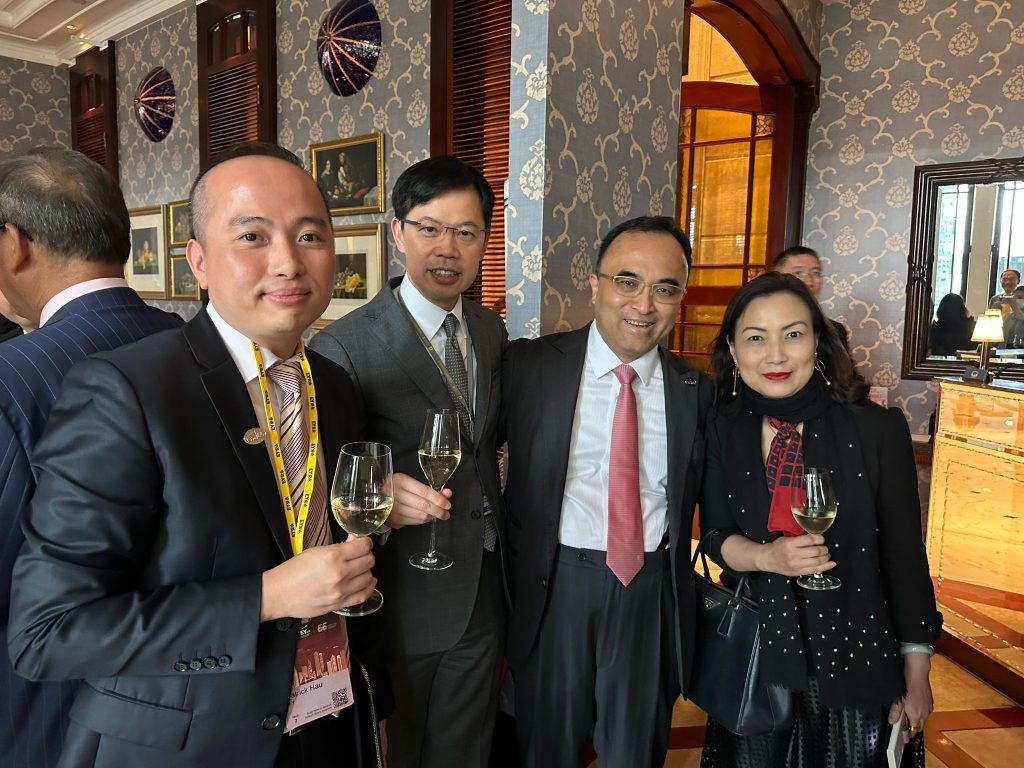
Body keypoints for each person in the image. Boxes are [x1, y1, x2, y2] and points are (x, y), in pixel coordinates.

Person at [5, 143, 407, 767]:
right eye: (252, 236)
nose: (288, 262)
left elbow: (335, 561)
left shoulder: (331, 385)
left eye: (310, 236)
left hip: (327, 721)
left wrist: (371, 703)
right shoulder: (128, 389)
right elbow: (50, 631)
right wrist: (266, 597)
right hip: (192, 745)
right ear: (198, 261)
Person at [310, 155, 507, 768]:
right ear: (397, 233)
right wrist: (379, 498)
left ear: (483, 240)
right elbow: (317, 481)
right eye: (429, 228)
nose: (447, 248)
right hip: (400, 596)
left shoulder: (490, 330)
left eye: (466, 231)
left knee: (467, 751)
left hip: (485, 586)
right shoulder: (342, 345)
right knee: (399, 751)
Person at [699, 271, 942, 767]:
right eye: (755, 338)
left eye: (792, 334)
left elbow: (904, 556)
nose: (776, 355)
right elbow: (716, 535)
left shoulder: (874, 429)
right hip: (760, 657)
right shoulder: (724, 427)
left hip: (858, 653)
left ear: (817, 342)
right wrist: (767, 557)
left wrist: (917, 666)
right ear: (733, 350)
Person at [500, 216, 715, 767]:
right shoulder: (529, 366)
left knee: (634, 753)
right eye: (627, 281)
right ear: (595, 285)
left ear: (680, 299)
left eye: (665, 288)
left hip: (650, 591)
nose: (644, 304)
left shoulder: (697, 391)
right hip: (554, 587)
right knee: (546, 750)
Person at [0, 147, 183, 768]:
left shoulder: (10, 381)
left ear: (15, 243)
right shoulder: (199, 346)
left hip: (50, 713)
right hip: (191, 702)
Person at [772, 246, 851, 352]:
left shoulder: (835, 331)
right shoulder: (759, 325)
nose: (809, 282)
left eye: (815, 273)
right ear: (776, 277)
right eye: (798, 273)